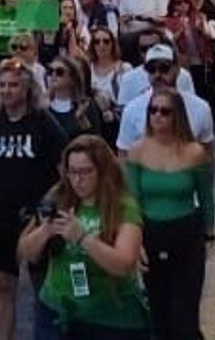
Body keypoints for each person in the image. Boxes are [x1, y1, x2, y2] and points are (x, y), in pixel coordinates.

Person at [0, 61, 67, 340]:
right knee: (2, 283)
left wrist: (56, 204)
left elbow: (64, 168)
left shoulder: (44, 122)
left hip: (38, 217)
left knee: (43, 285)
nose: (7, 91)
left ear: (26, 88)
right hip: (2, 215)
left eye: (13, 85)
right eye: (2, 85)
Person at [18, 135, 152, 340]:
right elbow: (25, 251)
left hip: (108, 317)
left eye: (85, 172)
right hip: (57, 309)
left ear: (102, 171)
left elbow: (124, 264)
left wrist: (83, 238)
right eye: (72, 172)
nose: (77, 180)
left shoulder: (123, 206)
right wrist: (45, 230)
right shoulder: (58, 195)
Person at [125, 87, 214, 340]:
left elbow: (206, 197)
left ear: (177, 116)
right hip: (151, 234)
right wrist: (135, 241)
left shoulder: (195, 153)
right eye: (153, 110)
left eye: (165, 111)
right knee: (158, 311)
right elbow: (132, 200)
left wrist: (209, 234)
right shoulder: (137, 151)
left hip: (187, 235)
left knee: (185, 316)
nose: (158, 116)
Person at [116, 47, 215, 154]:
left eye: (164, 68)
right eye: (151, 69)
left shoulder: (200, 108)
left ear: (177, 69)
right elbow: (123, 153)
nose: (157, 75)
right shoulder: (132, 110)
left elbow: (207, 152)